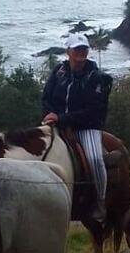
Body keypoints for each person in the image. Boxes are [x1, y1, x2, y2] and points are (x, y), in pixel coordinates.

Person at [41, 35, 113, 224]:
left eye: (84, 49)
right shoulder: (59, 71)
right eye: (76, 49)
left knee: (95, 159)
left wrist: (62, 118)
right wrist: (49, 114)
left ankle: (100, 200)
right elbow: (46, 96)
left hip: (86, 126)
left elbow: (94, 111)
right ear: (68, 52)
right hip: (56, 123)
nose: (81, 53)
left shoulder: (96, 78)